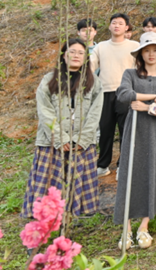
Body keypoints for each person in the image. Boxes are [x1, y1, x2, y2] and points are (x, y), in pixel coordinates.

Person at [22, 39, 103, 220]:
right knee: (49, 182)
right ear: (63, 56)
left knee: (76, 180)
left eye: (81, 53)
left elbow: (96, 112)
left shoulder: (94, 81)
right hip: (52, 139)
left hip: (82, 139)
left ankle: (69, 219)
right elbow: (45, 110)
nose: (76, 55)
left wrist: (82, 138)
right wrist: (60, 138)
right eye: (72, 51)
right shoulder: (49, 79)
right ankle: (45, 221)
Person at [114, 32, 156, 250]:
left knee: (153, 172)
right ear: (141, 53)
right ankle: (126, 227)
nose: (151, 54)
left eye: (155, 50)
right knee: (130, 173)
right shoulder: (131, 74)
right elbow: (123, 94)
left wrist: (147, 108)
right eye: (147, 50)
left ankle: (144, 225)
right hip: (135, 132)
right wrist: (152, 97)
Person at [89, 13, 140, 177]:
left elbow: (140, 69)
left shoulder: (134, 46)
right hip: (104, 92)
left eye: (120, 23)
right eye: (114, 23)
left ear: (127, 27)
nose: (117, 25)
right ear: (109, 26)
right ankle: (103, 165)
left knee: (126, 130)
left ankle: (123, 165)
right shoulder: (101, 46)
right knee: (105, 130)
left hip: (126, 93)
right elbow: (90, 66)